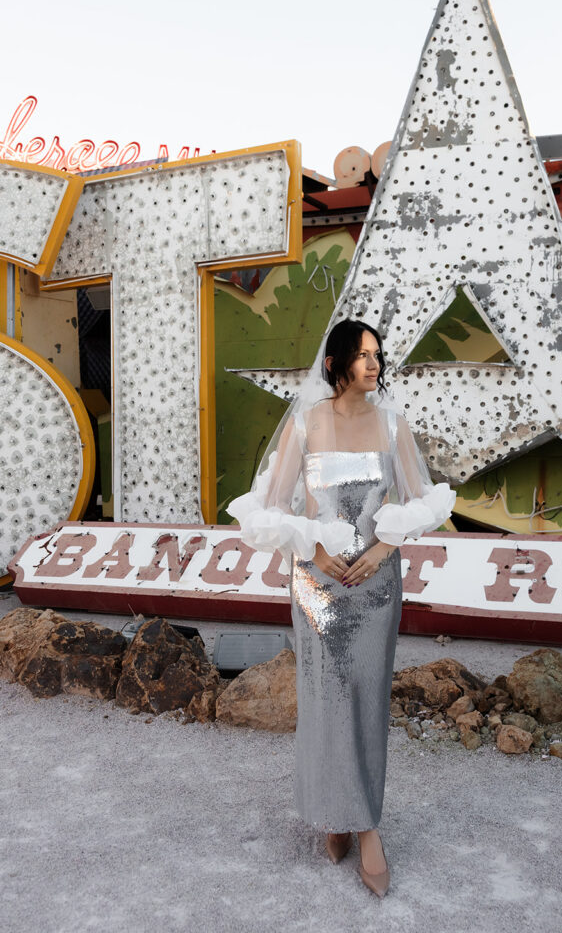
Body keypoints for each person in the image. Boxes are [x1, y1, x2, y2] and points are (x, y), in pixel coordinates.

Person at [229, 318, 455, 897]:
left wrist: (382, 548)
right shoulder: (305, 425)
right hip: (316, 585)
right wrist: (315, 545)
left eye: (376, 354)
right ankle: (337, 814)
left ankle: (367, 827)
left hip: (376, 586)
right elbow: (268, 510)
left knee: (367, 702)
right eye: (360, 355)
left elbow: (424, 501)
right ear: (335, 365)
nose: (372, 364)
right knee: (326, 704)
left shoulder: (392, 422)